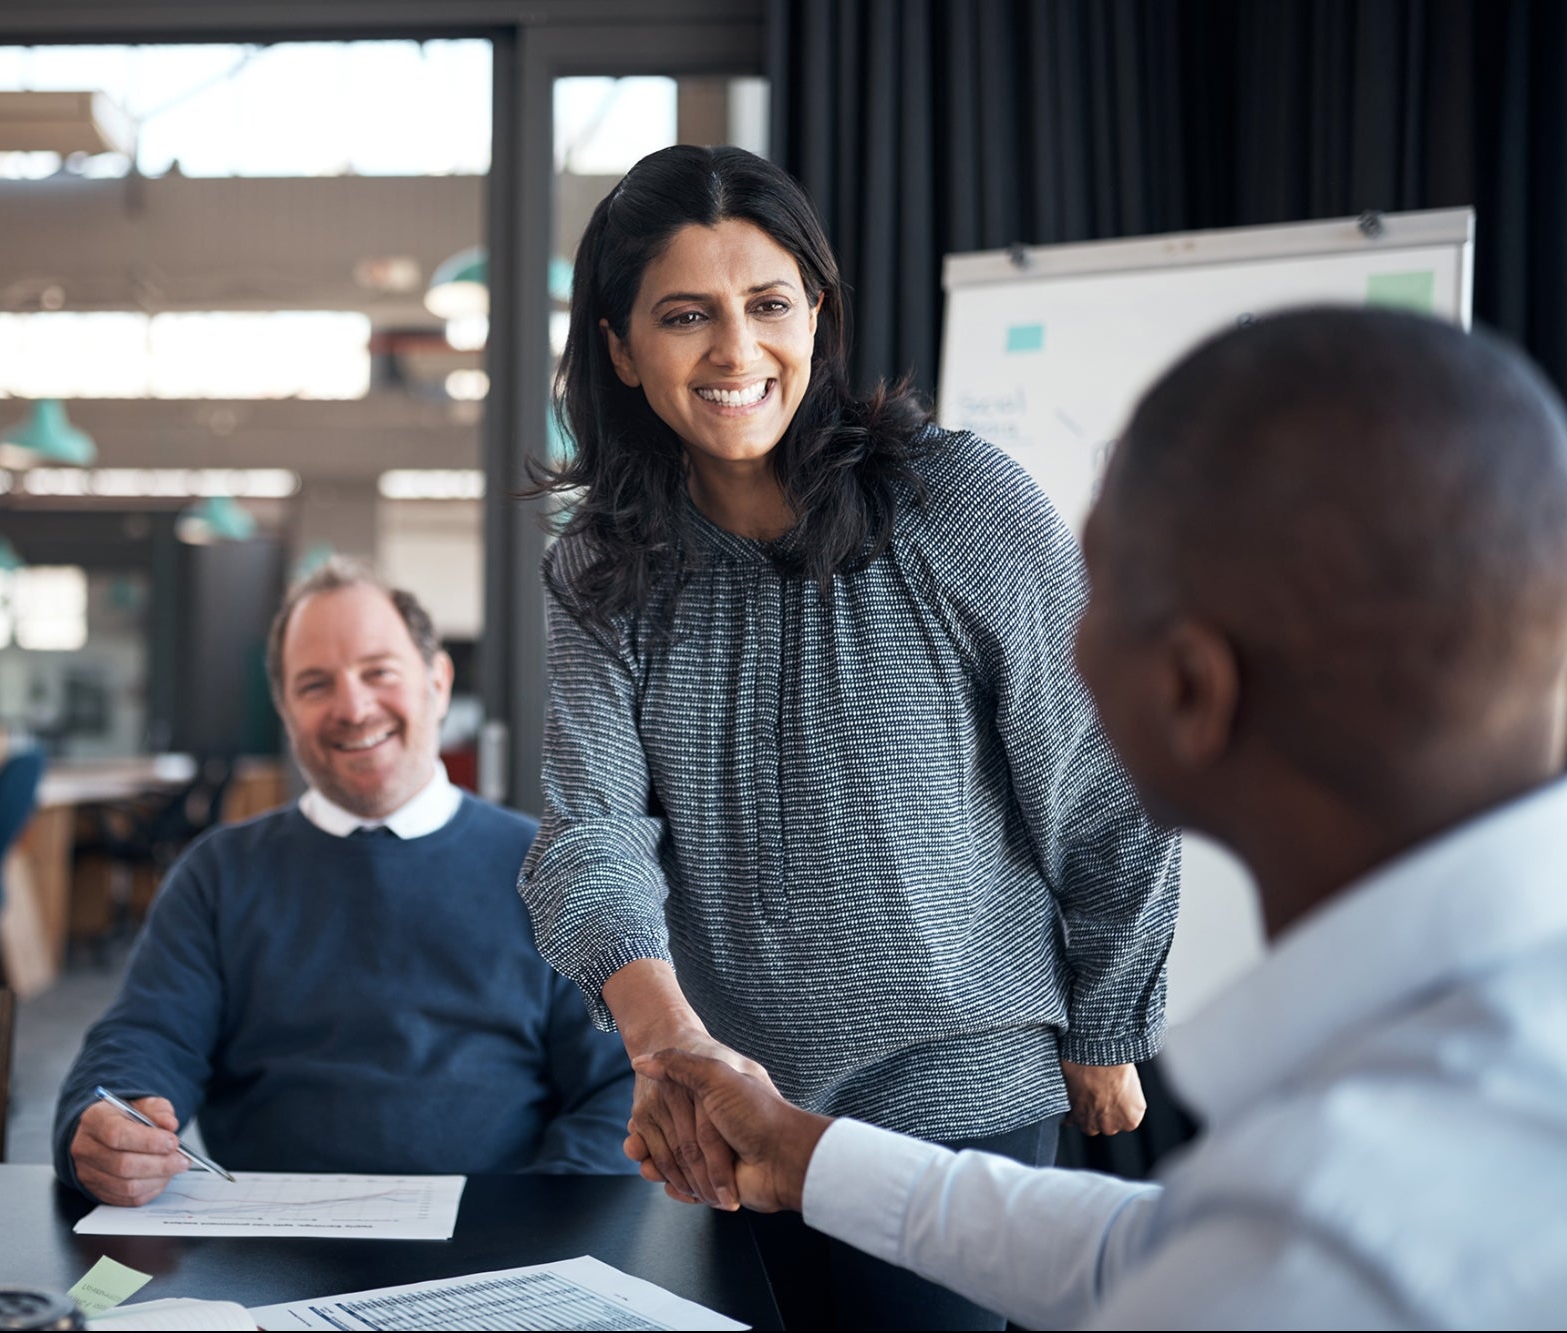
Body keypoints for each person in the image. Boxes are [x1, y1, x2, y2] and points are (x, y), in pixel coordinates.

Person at [632, 307, 1567, 1328]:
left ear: (1187, 692)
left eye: (1097, 590)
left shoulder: (1333, 1245)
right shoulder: (1405, 1140)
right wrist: (804, 1152)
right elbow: (1159, 1248)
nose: (1064, 643)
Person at [517, 144, 1178, 1327]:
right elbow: (590, 836)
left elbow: (1104, 776)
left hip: (962, 1098)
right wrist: (670, 1046)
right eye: (683, 316)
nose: (733, 351)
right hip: (731, 1115)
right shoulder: (598, 569)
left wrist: (1108, 1018)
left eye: (767, 304)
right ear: (618, 348)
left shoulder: (958, 503)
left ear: (816, 316)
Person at [54, 559, 633, 1204]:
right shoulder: (220, 873)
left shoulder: (557, 868)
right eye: (315, 685)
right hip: (270, 1244)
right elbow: (146, 1034)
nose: (354, 708)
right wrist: (108, 1124)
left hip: (499, 1239)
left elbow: (615, 1085)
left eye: (379, 673)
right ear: (285, 709)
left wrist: (539, 1219)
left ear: (437, 684)